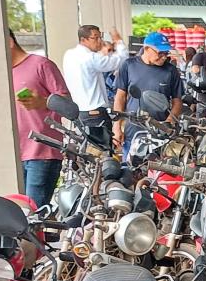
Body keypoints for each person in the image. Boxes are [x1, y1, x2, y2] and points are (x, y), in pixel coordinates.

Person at [8, 29, 70, 207]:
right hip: (14, 154)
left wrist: (42, 102)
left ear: (10, 42)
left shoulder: (41, 65)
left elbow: (67, 103)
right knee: (15, 216)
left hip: (41, 152)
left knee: (32, 214)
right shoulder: (2, 74)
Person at [113, 31, 184, 155]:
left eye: (166, 53)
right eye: (160, 53)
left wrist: (168, 123)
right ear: (146, 49)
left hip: (160, 132)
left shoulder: (171, 71)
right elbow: (120, 97)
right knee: (131, 170)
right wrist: (116, 126)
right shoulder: (129, 65)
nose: (164, 57)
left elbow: (177, 102)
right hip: (134, 130)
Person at [62, 24, 127, 147]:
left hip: (80, 113)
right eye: (95, 38)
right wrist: (117, 40)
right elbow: (121, 60)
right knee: (103, 155)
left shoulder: (69, 55)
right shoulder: (90, 58)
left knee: (88, 154)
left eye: (100, 37)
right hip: (96, 114)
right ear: (83, 40)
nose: (99, 41)